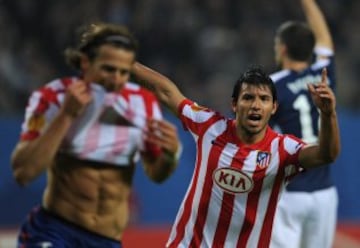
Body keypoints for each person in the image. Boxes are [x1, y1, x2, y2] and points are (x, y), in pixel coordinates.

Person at [130, 61, 340, 247]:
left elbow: (326, 155)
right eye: (248, 97)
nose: (255, 105)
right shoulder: (209, 126)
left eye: (264, 99)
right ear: (234, 104)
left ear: (274, 107)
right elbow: (167, 91)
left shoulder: (283, 149)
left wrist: (328, 114)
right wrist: (126, 62)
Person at [11, 22, 181, 248]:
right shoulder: (53, 97)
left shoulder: (143, 103)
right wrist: (66, 116)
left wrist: (170, 155)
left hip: (106, 240)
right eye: (108, 69)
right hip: (56, 232)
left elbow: (157, 173)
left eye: (123, 72)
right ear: (85, 62)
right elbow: (24, 171)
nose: (116, 80)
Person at [269, 1, 337, 247]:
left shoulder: (272, 85)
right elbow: (325, 40)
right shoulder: (324, 75)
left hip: (288, 193)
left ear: (283, 48)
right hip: (324, 193)